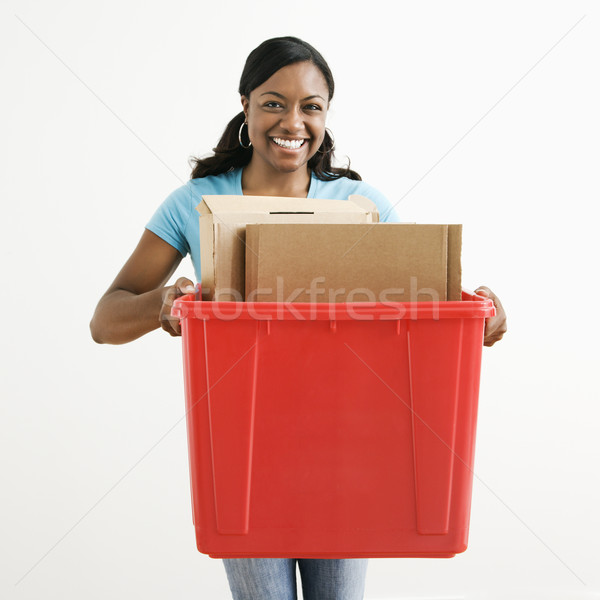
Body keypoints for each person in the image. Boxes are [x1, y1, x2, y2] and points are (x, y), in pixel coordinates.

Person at [90, 36, 507, 600]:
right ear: (245, 105)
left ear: (326, 115)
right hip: (244, 452)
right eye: (273, 102)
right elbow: (105, 319)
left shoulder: (364, 207)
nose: (293, 121)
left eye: (311, 106)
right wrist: (162, 303)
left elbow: (418, 306)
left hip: (348, 447)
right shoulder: (194, 202)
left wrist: (480, 312)